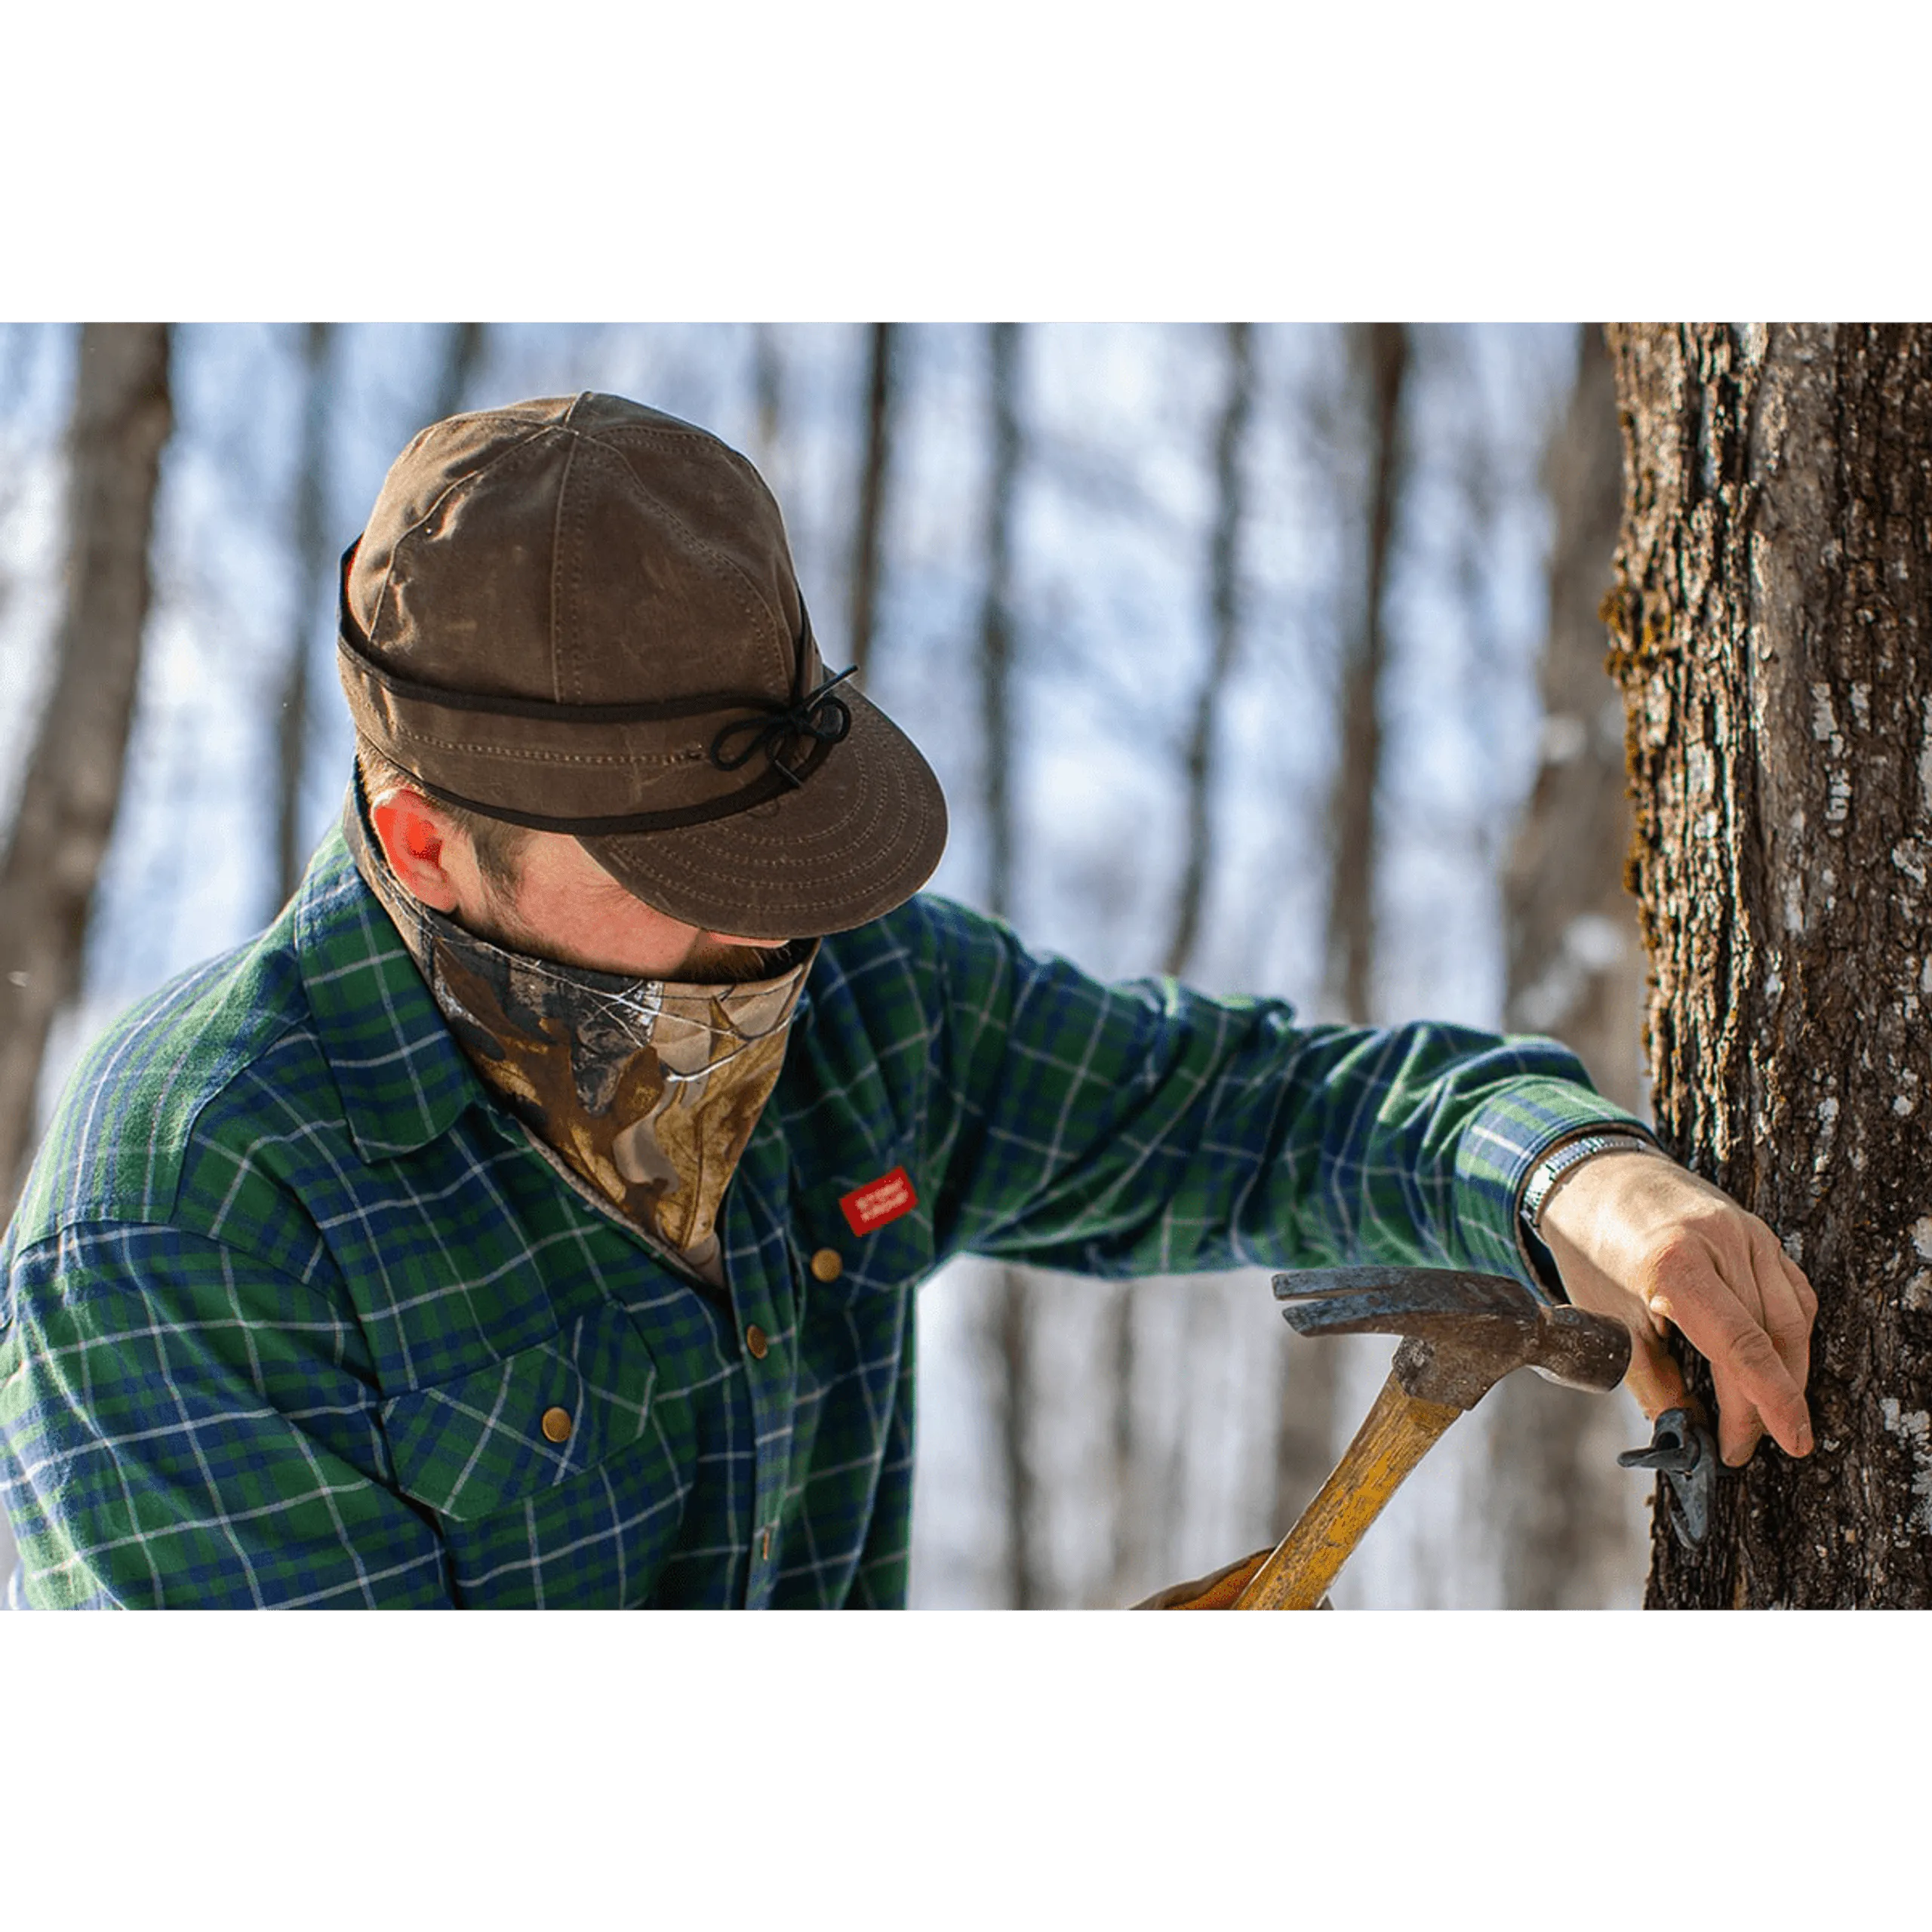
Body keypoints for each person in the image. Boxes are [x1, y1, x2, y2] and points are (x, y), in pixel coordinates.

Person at [0, 393, 1816, 1611]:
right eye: (675, 881)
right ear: (423, 837)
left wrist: (1571, 1175)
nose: (761, 952)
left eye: (771, 858)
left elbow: (1254, 1110)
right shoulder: (193, 1209)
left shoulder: (861, 1006)